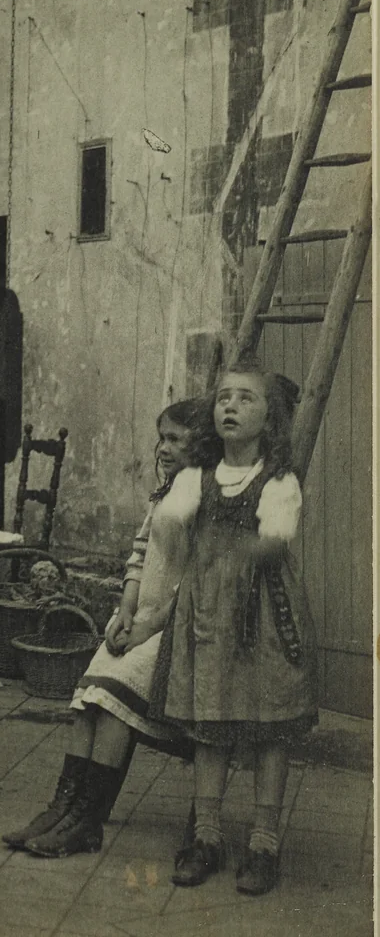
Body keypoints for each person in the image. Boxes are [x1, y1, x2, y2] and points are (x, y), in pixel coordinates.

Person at [2, 398, 220, 858]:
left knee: (114, 698)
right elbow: (140, 552)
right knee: (86, 700)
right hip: (142, 622)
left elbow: (196, 582)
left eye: (177, 440)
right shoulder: (167, 491)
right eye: (162, 437)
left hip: (178, 631)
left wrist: (148, 629)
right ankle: (64, 807)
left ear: (201, 447)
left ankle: (87, 818)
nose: (163, 448)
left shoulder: (207, 495)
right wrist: (125, 610)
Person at [149, 361, 319, 896]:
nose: (230, 406)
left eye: (246, 399)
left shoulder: (280, 481)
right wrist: (173, 529)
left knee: (270, 727)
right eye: (223, 397)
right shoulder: (195, 478)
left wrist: (226, 552)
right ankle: (206, 836)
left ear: (269, 420)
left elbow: (276, 536)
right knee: (211, 721)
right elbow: (170, 521)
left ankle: (264, 841)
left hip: (266, 617)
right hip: (208, 621)